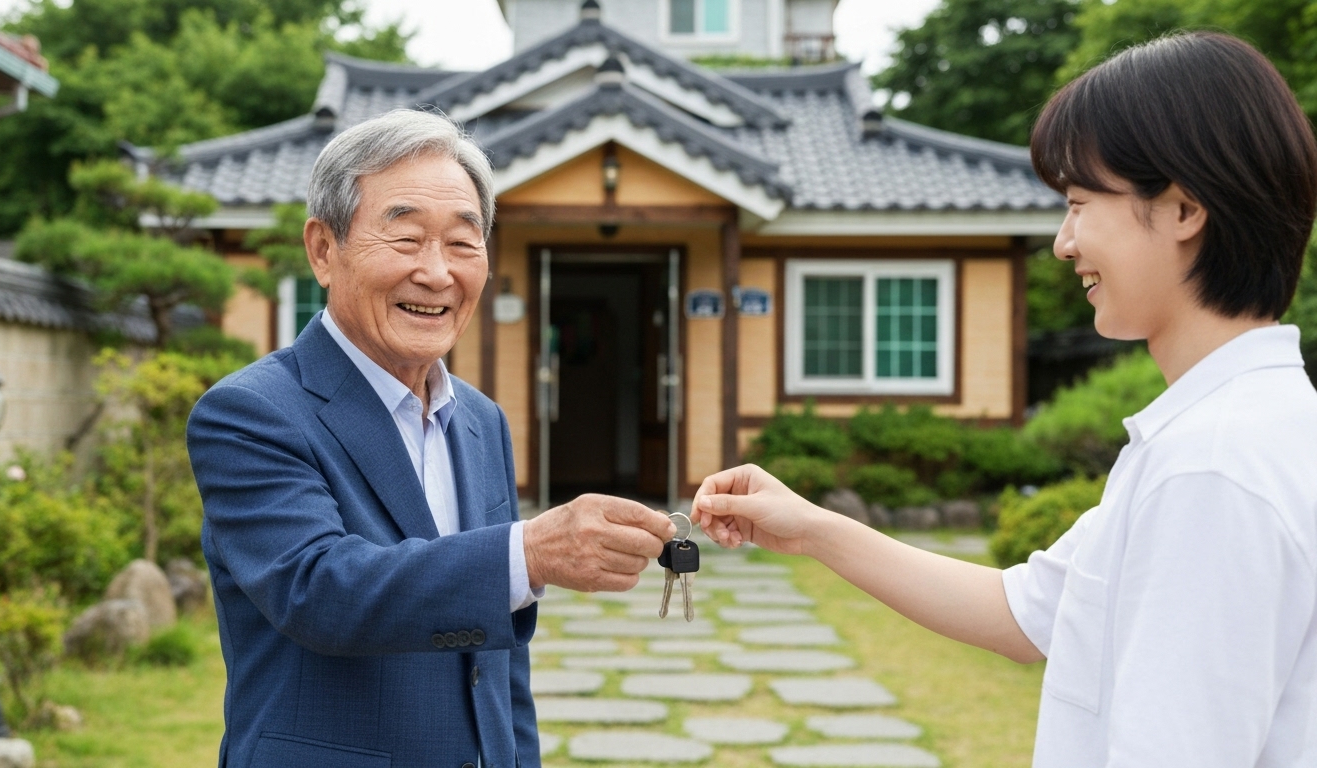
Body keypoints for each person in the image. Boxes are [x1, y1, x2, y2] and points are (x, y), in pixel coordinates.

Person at [693, 32, 1317, 767]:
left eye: (1081, 202)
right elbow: (1028, 614)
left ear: (1183, 208)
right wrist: (811, 529)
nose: (1063, 241)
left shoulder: (1212, 468)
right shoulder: (1242, 429)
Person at [187, 109, 676, 768]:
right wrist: (527, 553)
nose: (438, 273)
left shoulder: (480, 420)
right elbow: (320, 590)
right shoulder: (251, 412)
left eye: (463, 243)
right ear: (323, 250)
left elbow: (501, 667)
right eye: (407, 238)